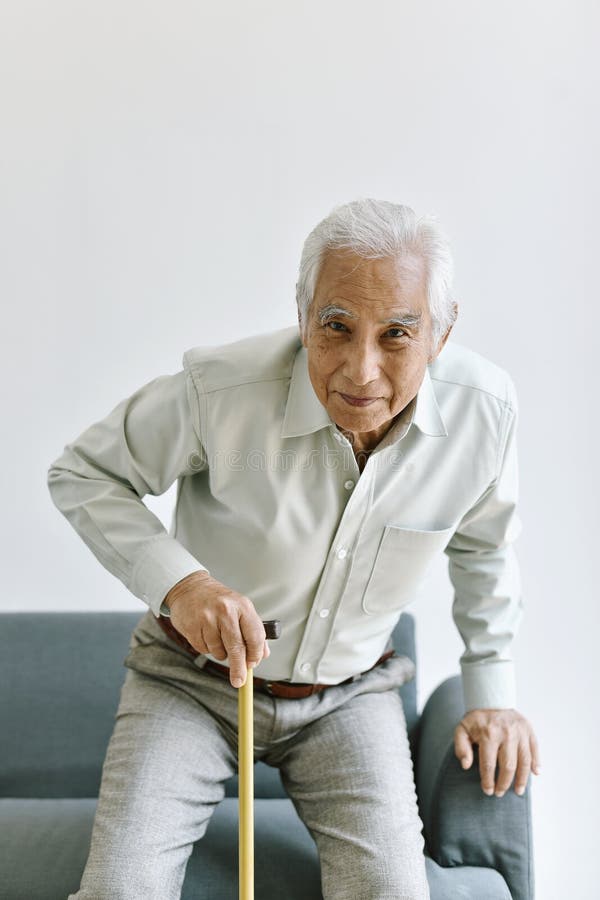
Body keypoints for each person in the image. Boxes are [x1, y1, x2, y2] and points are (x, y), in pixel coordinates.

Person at [47, 198, 540, 900]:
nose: (361, 371)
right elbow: (83, 472)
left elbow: (486, 549)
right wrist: (183, 586)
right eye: (336, 327)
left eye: (396, 334)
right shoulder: (218, 389)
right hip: (190, 683)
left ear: (442, 333)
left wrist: (492, 688)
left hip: (350, 696)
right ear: (303, 314)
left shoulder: (485, 415)